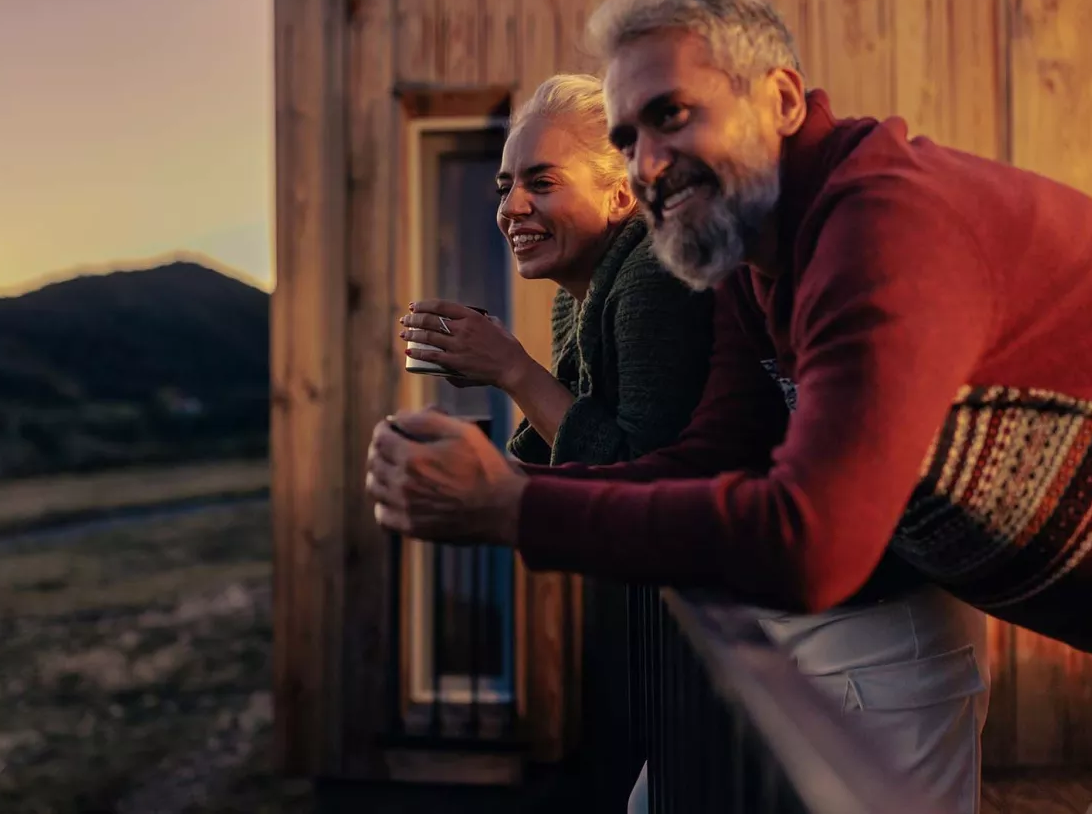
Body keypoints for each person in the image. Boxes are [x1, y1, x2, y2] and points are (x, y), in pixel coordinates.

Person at [365, 0, 1092, 814]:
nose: (648, 166)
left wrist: (513, 510)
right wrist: (511, 487)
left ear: (780, 98)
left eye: (672, 115)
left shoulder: (884, 227)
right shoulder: (758, 263)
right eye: (629, 137)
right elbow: (706, 454)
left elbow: (812, 540)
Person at [398, 73, 990, 814]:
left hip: (862, 627)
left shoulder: (655, 273)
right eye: (504, 185)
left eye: (541, 182)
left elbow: (641, 466)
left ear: (620, 195)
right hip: (781, 626)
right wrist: (484, 458)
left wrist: (511, 372)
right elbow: (586, 447)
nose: (512, 206)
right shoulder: (582, 297)